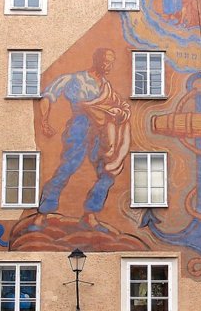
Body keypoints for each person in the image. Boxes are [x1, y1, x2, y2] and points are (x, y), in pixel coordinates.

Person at [38, 48, 131, 231]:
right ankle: (42, 214)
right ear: (96, 60)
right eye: (105, 61)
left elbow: (121, 105)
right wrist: (44, 122)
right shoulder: (76, 79)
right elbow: (49, 95)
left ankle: (90, 215)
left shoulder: (106, 86)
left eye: (111, 63)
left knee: (107, 172)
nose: (108, 66)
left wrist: (121, 112)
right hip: (79, 127)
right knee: (67, 168)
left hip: (101, 131)